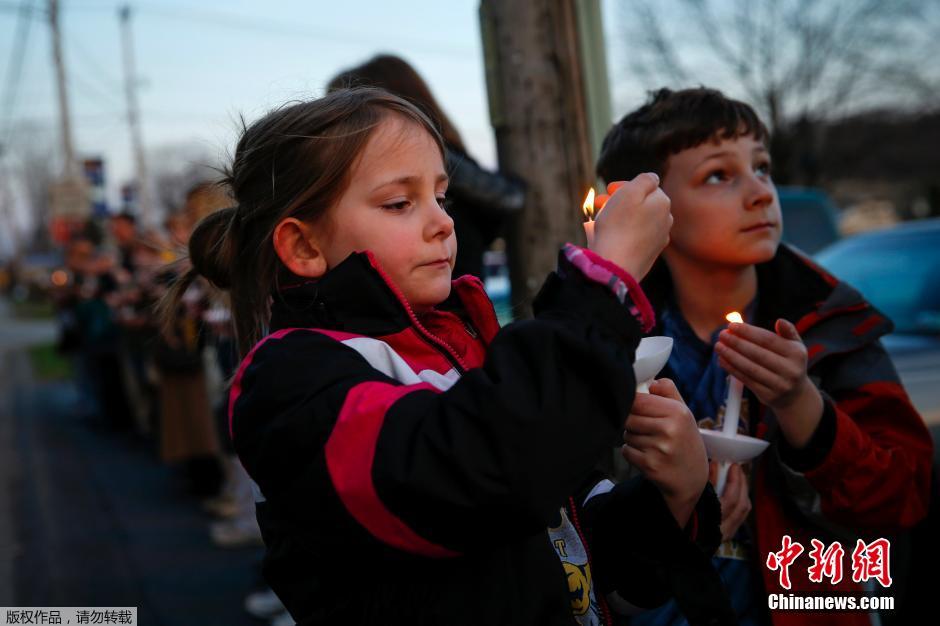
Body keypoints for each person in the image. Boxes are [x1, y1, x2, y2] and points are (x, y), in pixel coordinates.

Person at [161, 87, 733, 625]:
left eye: (440, 195)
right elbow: (477, 478)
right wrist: (603, 284)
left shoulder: (468, 351)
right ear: (305, 245)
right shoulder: (291, 380)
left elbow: (577, 555)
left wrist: (674, 494)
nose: (443, 222)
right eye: (399, 202)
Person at [595, 87, 933, 626]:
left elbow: (902, 501)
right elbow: (569, 528)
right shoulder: (607, 340)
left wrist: (803, 406)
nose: (759, 193)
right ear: (651, 208)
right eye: (718, 176)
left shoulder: (829, 325)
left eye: (762, 167)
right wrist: (676, 508)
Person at [327, 54, 526, 280]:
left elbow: (509, 197)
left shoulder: (437, 159)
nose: (444, 223)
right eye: (398, 204)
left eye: (442, 200)